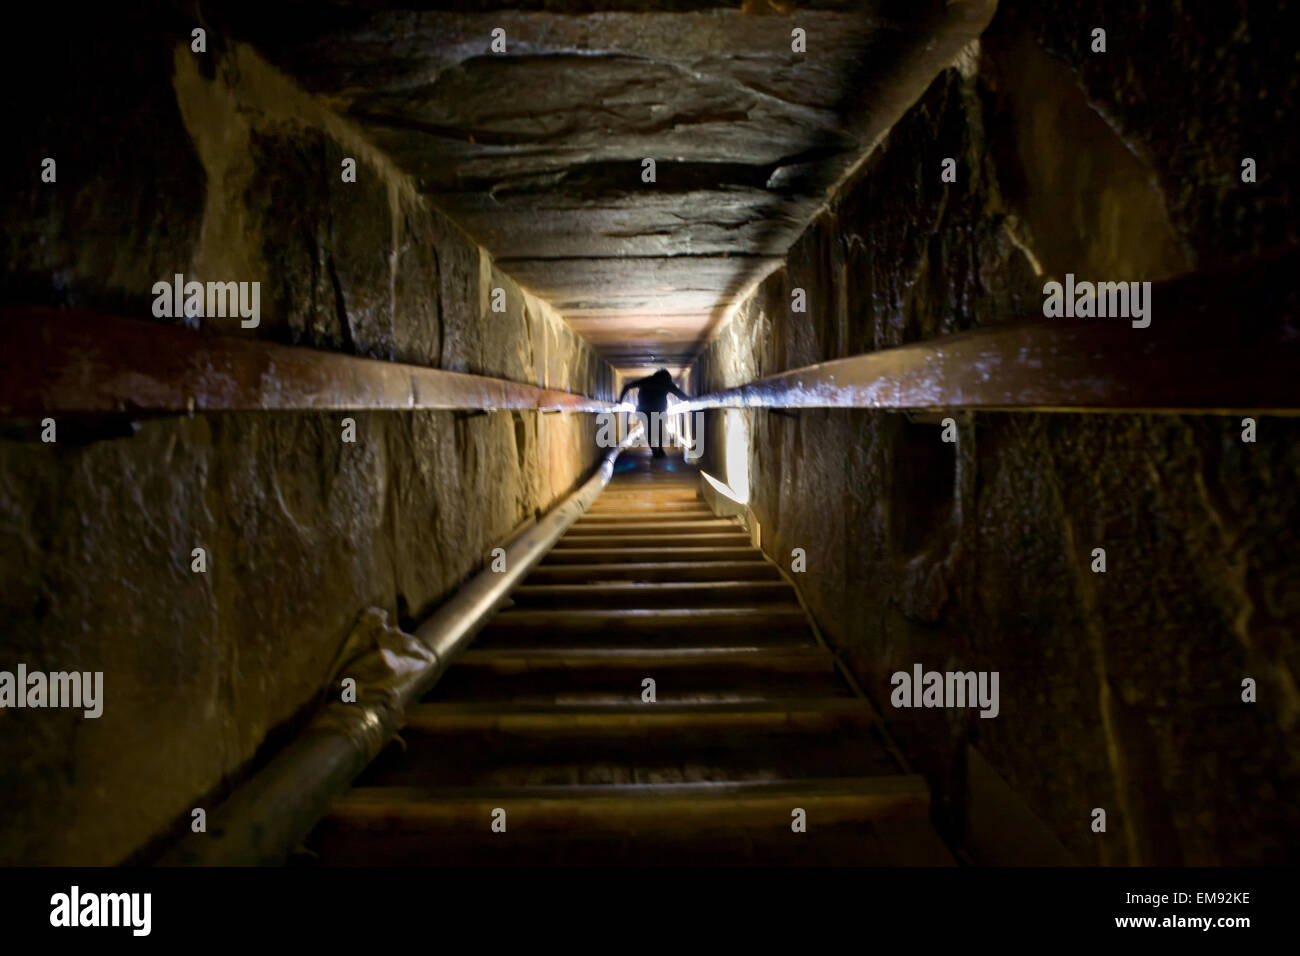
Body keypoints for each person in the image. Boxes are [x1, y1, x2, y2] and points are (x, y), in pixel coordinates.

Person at [618, 368, 689, 458]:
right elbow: (681, 396)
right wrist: (692, 400)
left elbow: (627, 386)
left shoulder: (647, 380)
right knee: (660, 430)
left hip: (644, 410)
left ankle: (654, 450)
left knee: (649, 430)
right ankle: (659, 449)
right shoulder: (666, 383)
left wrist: (620, 401)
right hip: (659, 410)